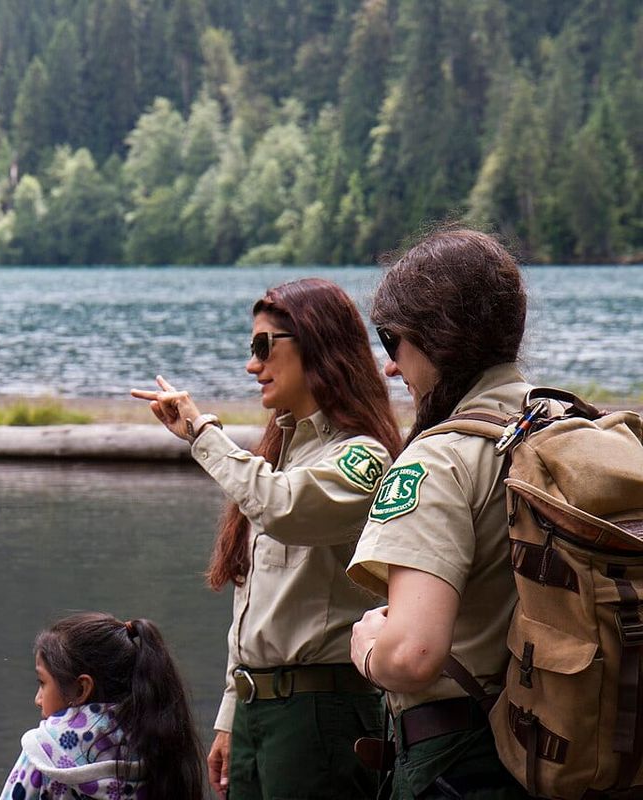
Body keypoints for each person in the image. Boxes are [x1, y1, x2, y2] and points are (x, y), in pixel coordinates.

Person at [131, 277, 402, 799]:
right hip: (261, 710)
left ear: (317, 344)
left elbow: (285, 509)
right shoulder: (279, 458)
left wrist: (202, 433)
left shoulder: (364, 456)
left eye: (262, 347)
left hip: (321, 713)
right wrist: (232, 714)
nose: (252, 366)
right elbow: (252, 604)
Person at [347, 228, 533, 798]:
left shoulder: (438, 459)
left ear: (437, 338)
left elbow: (415, 653)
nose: (390, 368)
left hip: (463, 761)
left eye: (392, 341)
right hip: (568, 749)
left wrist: (370, 645)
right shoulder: (564, 428)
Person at [0, 612, 205, 800]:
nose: (38, 699)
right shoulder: (157, 742)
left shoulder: (44, 751)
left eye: (43, 683)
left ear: (81, 689)